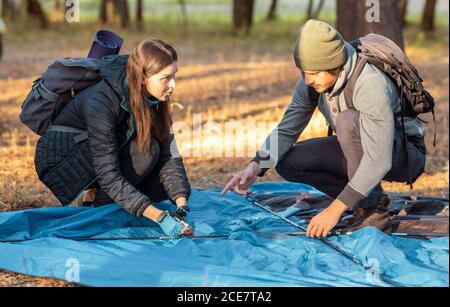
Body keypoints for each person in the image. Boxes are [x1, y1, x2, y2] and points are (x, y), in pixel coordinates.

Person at [222, 20, 426, 238]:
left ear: (336, 64)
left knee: (347, 122)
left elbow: (379, 160)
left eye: (315, 72)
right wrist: (255, 166)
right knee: (287, 162)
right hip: (358, 147)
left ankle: (373, 211)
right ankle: (365, 201)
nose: (308, 80)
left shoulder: (369, 83)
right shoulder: (311, 81)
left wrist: (333, 210)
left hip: (402, 155)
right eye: (303, 72)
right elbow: (287, 128)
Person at [34, 39, 193, 238]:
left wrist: (181, 204)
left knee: (160, 189)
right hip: (63, 160)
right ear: (143, 78)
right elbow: (108, 174)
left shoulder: (156, 98)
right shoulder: (102, 100)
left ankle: (111, 198)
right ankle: (96, 204)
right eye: (166, 78)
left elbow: (169, 153)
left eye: (175, 75)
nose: (173, 84)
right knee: (146, 152)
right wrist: (159, 217)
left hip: (102, 151)